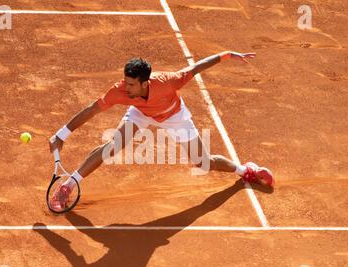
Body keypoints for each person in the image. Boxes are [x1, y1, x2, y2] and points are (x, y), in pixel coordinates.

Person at [48, 51, 274, 210]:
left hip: (174, 115)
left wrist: (227, 55)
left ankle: (245, 170)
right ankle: (68, 186)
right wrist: (62, 134)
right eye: (125, 82)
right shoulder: (120, 91)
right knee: (112, 147)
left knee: (203, 163)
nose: (126, 88)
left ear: (145, 83)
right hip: (141, 113)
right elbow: (91, 110)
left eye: (131, 84)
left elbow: (195, 68)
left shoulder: (168, 81)